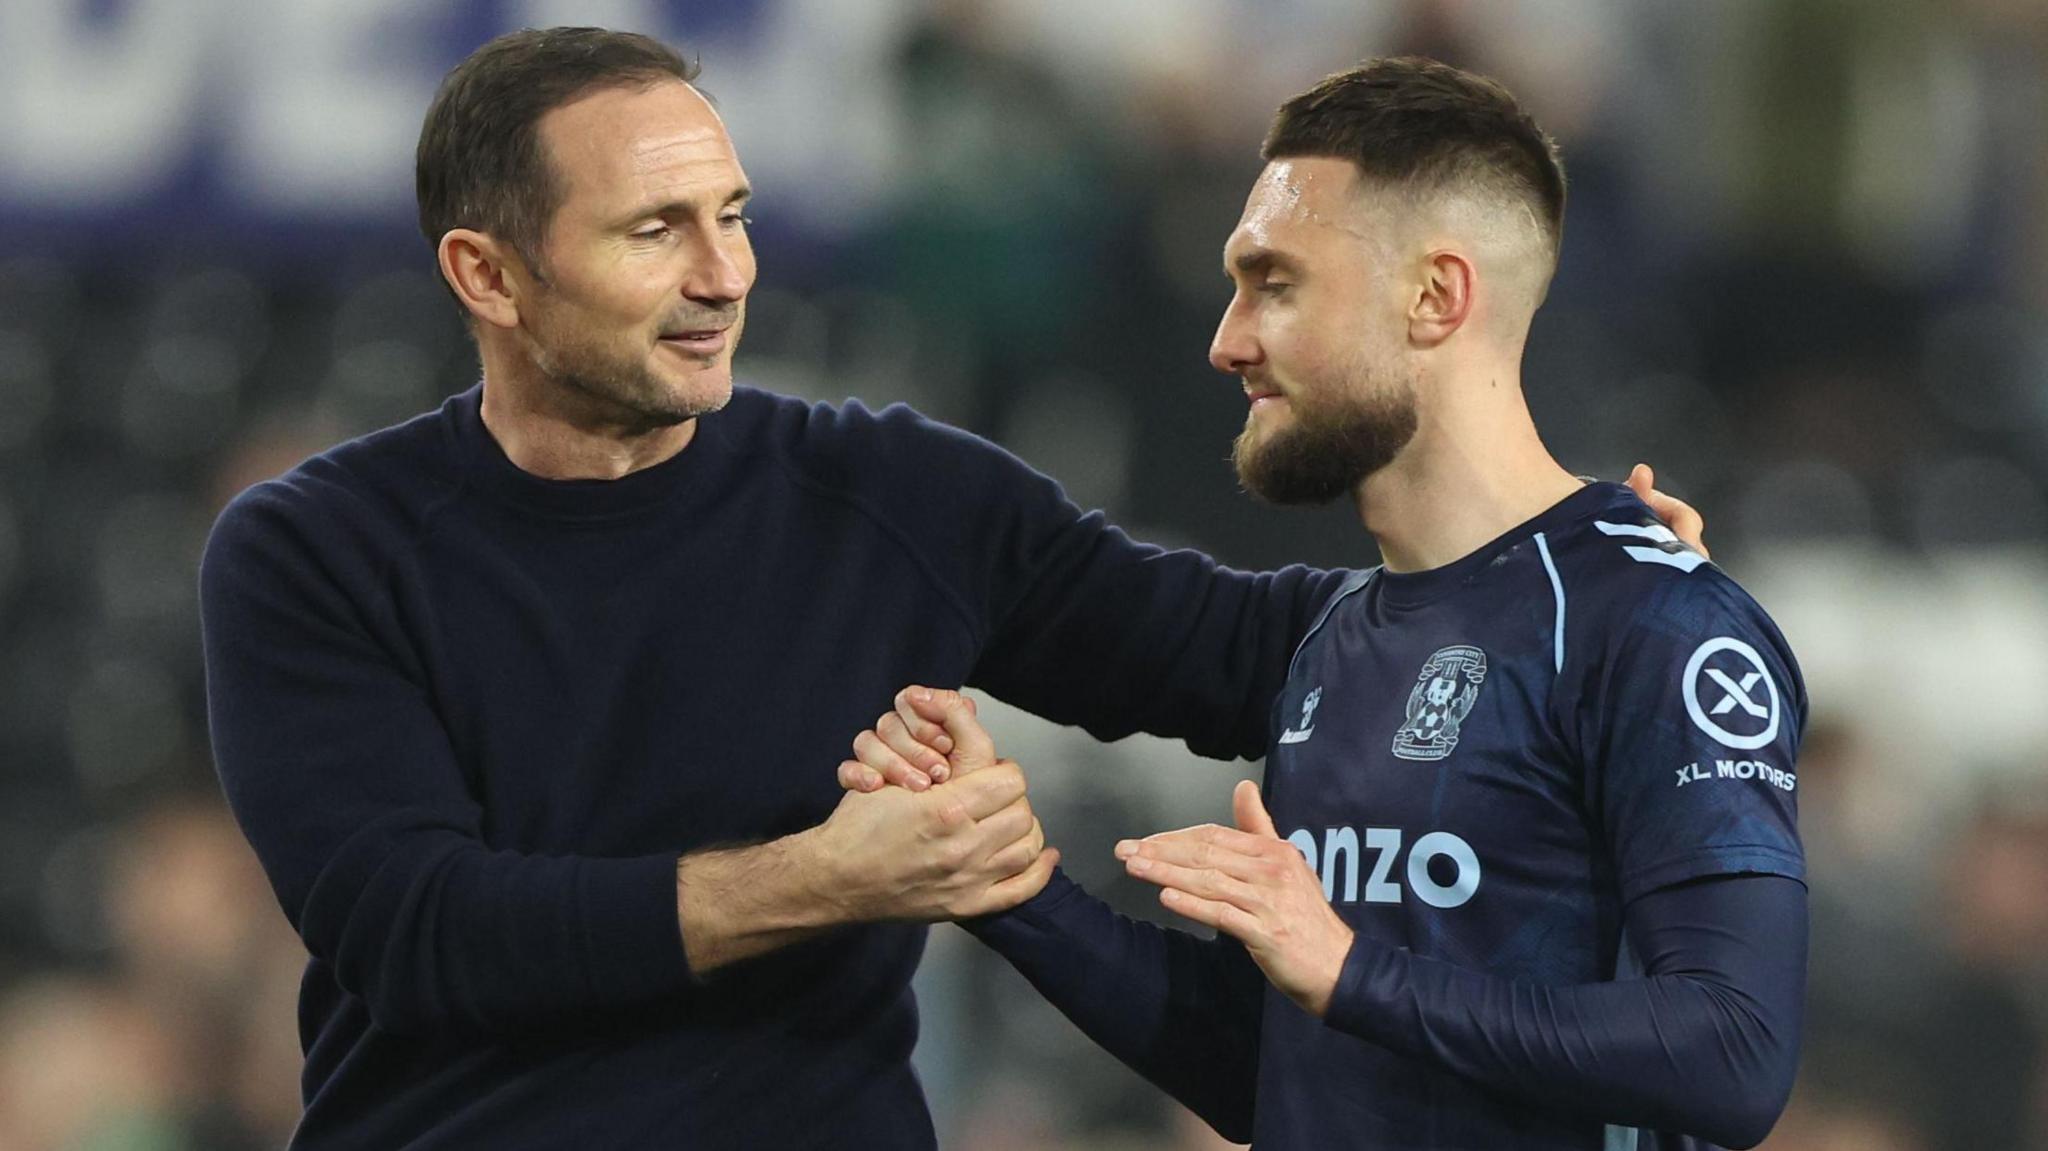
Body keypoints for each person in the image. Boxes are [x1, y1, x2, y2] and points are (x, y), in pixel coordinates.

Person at [198, 28, 1706, 1150]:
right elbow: (423, 928)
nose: (726, 273)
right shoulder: (317, 551)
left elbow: (1232, 649)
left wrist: (1556, 587)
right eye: (656, 231)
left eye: (731, 214)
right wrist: (835, 875)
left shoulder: (888, 494)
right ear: (488, 273)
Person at [849, 58, 1805, 1151]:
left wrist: (1350, 968)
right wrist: (1012, 884)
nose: (1227, 338)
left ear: (1435, 296)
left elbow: (1731, 1051)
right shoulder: (1330, 637)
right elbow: (1290, 1070)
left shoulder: (1645, 620)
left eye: (1276, 282)